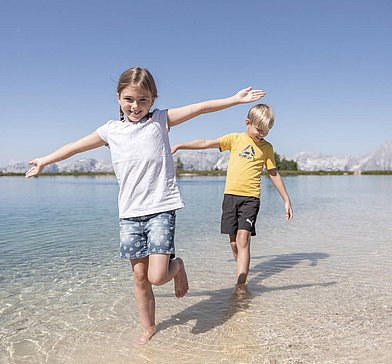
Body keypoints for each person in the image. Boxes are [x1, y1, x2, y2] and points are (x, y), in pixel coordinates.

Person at [25, 67, 265, 344]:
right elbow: (76, 147)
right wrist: (46, 160)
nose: (135, 106)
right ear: (118, 98)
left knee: (157, 275)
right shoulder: (110, 130)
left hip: (161, 208)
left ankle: (178, 267)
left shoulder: (160, 121)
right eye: (129, 99)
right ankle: (148, 326)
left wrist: (234, 100)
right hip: (129, 214)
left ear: (152, 99)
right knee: (140, 276)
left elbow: (199, 108)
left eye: (143, 100)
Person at [171, 103, 293, 296]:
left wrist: (286, 200)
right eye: (259, 129)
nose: (262, 134)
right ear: (247, 122)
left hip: (251, 198)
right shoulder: (235, 139)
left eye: (266, 131)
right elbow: (205, 143)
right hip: (230, 197)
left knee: (243, 239)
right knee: (234, 243)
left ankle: (241, 284)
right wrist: (180, 145)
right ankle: (242, 271)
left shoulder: (267, 148)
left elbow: (274, 173)